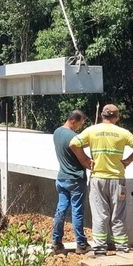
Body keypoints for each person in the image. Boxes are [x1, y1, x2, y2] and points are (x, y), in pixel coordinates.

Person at [69, 105, 133, 257]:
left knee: (100, 215)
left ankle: (99, 248)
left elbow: (73, 143)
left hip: (97, 178)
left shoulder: (92, 130)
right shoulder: (122, 132)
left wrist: (85, 160)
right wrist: (128, 161)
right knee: (118, 214)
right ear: (117, 117)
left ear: (103, 115)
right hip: (117, 179)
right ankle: (122, 248)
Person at [51, 109, 90, 255]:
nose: (80, 127)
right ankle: (81, 244)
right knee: (77, 212)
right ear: (73, 121)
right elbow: (83, 160)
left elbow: (71, 146)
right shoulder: (74, 137)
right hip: (75, 179)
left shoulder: (57, 132)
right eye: (80, 124)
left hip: (61, 178)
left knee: (60, 210)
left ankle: (56, 242)